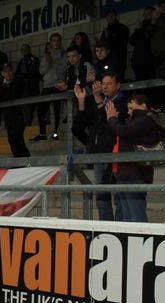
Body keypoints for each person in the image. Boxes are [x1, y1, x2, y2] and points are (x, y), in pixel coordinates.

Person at [72, 73, 127, 221]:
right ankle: (106, 230)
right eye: (103, 83)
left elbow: (107, 122)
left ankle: (119, 230)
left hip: (116, 157)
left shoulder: (123, 104)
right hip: (98, 157)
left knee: (118, 197)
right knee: (102, 198)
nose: (105, 86)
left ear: (118, 86)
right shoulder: (97, 103)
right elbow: (77, 128)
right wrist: (82, 102)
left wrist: (97, 99)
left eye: (109, 83)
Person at [105, 94, 162, 222]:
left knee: (136, 216)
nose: (129, 112)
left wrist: (112, 119)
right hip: (125, 173)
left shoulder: (146, 119)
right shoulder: (135, 122)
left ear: (143, 106)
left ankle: (141, 240)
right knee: (127, 216)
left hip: (135, 175)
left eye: (132, 108)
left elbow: (124, 132)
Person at [0, 64, 31, 157]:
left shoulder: (18, 81)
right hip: (8, 118)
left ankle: (25, 160)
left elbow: (12, 95)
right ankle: (18, 161)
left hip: (19, 115)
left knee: (18, 139)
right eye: (6, 71)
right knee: (11, 140)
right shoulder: (0, 83)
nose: (8, 73)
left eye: (10, 71)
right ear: (2, 73)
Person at [33, 33, 67, 141]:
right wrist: (48, 61)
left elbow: (64, 69)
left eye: (57, 40)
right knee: (40, 109)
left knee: (57, 110)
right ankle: (42, 133)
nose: (55, 42)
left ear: (60, 42)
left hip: (58, 84)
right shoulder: (46, 54)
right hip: (47, 85)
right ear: (50, 42)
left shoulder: (64, 54)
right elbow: (41, 71)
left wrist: (53, 62)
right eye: (53, 40)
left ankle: (55, 133)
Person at [16, 43, 41, 126]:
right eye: (22, 49)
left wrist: (23, 76)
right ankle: (26, 123)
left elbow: (33, 73)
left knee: (31, 107)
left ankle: (29, 123)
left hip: (32, 87)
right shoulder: (21, 61)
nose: (24, 51)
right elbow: (17, 74)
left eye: (25, 49)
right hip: (23, 88)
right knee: (25, 107)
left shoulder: (34, 59)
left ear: (29, 49)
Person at [99, 9, 130, 76]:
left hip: (119, 61)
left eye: (112, 15)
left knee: (118, 80)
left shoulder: (122, 28)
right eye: (108, 16)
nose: (110, 17)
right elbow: (102, 46)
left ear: (116, 16)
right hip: (107, 62)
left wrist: (108, 38)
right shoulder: (105, 32)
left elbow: (121, 44)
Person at [130, 7, 156, 81]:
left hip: (149, 61)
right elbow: (132, 41)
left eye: (149, 13)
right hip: (138, 61)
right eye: (144, 14)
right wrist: (138, 29)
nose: (146, 16)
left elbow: (147, 38)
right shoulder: (141, 26)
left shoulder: (155, 24)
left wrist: (140, 29)